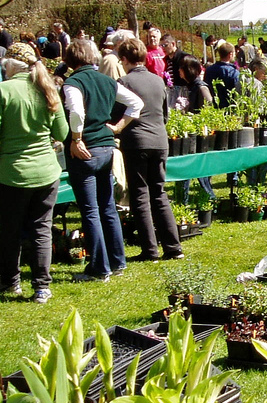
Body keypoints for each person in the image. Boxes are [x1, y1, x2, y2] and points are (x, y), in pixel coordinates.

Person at [0, 43, 68, 302]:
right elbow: (62, 133)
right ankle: (42, 287)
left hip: (13, 173)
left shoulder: (3, 90)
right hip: (46, 171)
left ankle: (11, 281)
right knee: (42, 228)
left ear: (9, 64)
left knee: (11, 230)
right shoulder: (47, 88)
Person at [62, 38, 143, 281]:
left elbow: (77, 111)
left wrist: (76, 139)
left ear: (70, 60)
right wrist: (118, 126)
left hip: (85, 151)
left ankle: (99, 269)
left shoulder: (72, 83)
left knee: (90, 210)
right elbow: (136, 103)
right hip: (107, 149)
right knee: (107, 206)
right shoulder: (107, 80)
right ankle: (118, 262)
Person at [112, 38, 184, 262]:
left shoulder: (123, 82)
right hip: (160, 140)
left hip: (136, 141)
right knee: (159, 193)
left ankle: (150, 250)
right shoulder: (158, 80)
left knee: (140, 195)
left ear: (124, 59)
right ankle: (173, 247)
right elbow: (164, 114)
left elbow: (117, 116)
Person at [174, 54, 216, 203]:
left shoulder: (201, 87)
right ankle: (182, 200)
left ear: (189, 70)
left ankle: (210, 198)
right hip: (189, 133)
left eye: (181, 68)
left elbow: (208, 109)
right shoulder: (188, 86)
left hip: (198, 136)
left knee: (198, 170)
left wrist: (192, 117)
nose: (179, 70)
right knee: (187, 168)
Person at [204, 42, 239, 108]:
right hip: (228, 107)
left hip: (212, 105)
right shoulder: (233, 72)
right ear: (230, 54)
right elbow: (237, 90)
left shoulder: (209, 70)